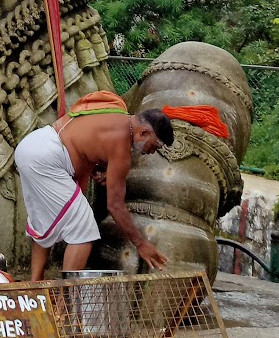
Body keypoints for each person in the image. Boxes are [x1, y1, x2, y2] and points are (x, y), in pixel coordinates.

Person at [14, 93, 173, 281]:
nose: (151, 152)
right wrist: (140, 243)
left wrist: (94, 168)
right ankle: (64, 302)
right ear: (143, 133)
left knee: (44, 223)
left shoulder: (114, 110)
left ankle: (36, 288)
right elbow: (115, 205)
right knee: (84, 229)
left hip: (33, 145)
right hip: (46, 160)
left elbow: (84, 143)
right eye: (155, 146)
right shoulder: (121, 146)